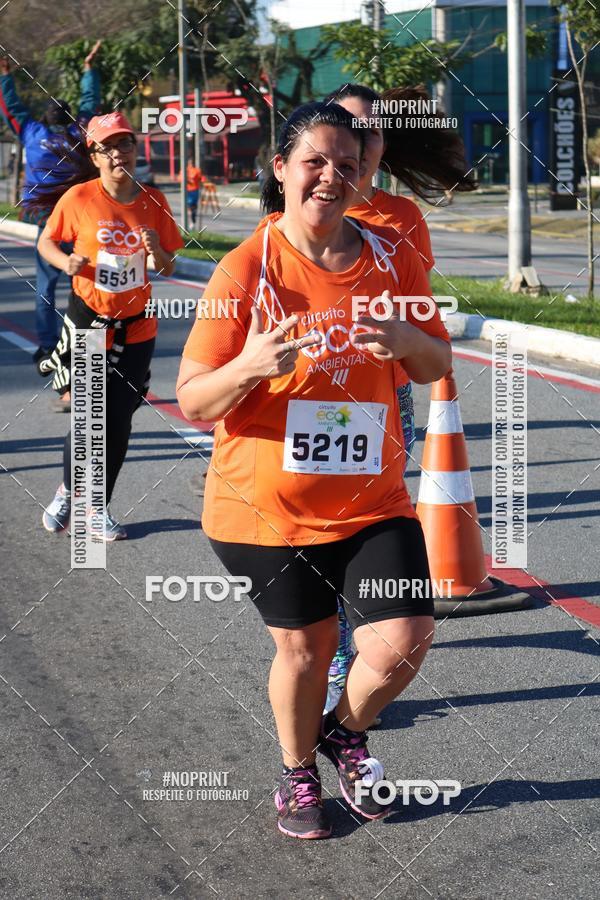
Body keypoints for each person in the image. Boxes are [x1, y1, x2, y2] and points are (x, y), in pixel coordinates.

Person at [177, 102, 451, 839]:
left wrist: (404, 338)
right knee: (306, 650)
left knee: (405, 637)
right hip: (264, 509)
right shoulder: (248, 268)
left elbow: (437, 362)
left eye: (348, 164)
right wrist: (250, 365)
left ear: (364, 176)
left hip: (372, 500)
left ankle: (344, 733)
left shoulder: (392, 260)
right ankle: (298, 770)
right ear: (282, 172)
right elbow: (193, 396)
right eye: (315, 162)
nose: (332, 176)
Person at [321, 82, 477, 711]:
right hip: (313, 398)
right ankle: (332, 651)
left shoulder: (402, 218)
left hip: (385, 401)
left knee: (370, 519)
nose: (363, 143)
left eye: (373, 131)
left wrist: (405, 337)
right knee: (319, 523)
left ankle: (368, 640)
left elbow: (419, 314)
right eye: (348, 131)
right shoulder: (300, 205)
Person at [38, 111, 183, 540]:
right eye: (110, 146)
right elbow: (47, 240)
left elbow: (168, 264)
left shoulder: (154, 201)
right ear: (96, 155)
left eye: (126, 144)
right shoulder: (80, 198)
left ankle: (96, 506)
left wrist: (157, 251)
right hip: (90, 321)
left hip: (137, 327)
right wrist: (67, 262)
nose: (120, 153)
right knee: (87, 418)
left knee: (118, 421)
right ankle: (70, 490)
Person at [0, 43, 102, 370]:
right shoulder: (80, 132)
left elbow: (11, 107)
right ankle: (86, 346)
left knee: (46, 288)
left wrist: (5, 77)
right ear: (71, 117)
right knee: (85, 286)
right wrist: (89, 70)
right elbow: (90, 103)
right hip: (82, 221)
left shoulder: (32, 133)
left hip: (48, 223)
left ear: (46, 117)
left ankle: (47, 347)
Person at [184, 160, 203, 228]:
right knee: (190, 207)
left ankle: (193, 221)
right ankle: (191, 221)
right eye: (190, 163)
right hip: (187, 191)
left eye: (192, 163)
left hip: (195, 190)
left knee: (193, 206)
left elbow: (200, 179)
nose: (191, 164)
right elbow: (180, 179)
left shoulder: (197, 170)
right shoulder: (184, 170)